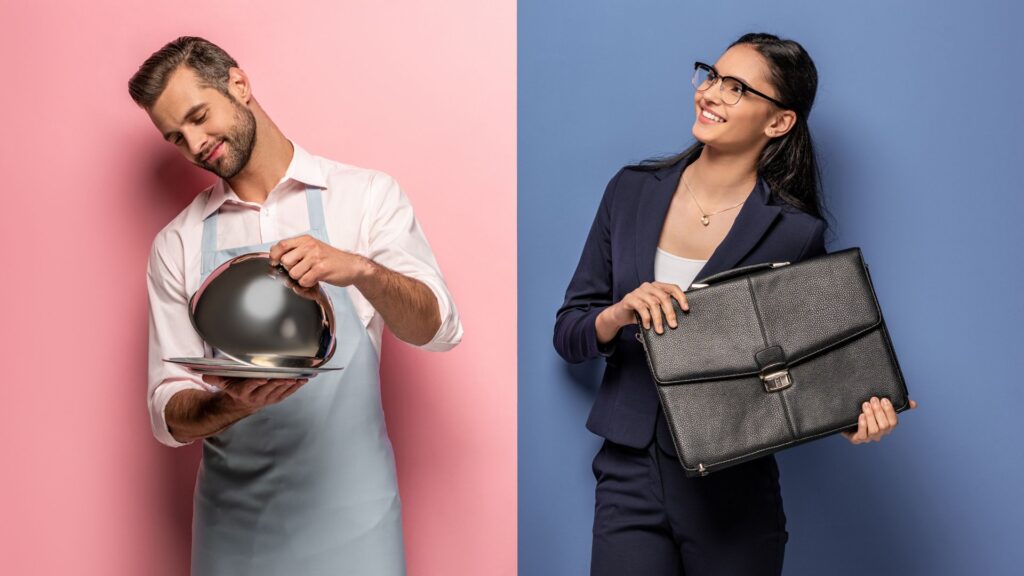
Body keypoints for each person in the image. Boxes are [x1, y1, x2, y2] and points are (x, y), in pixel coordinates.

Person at [553, 33, 918, 576]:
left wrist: (850, 415)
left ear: (779, 122)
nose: (710, 93)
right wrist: (619, 313)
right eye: (712, 76)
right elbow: (569, 332)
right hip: (628, 473)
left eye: (737, 88)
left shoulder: (794, 234)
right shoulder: (630, 191)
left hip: (734, 492)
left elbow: (799, 370)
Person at [130, 36, 462, 576]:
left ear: (238, 84)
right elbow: (167, 408)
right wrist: (231, 405)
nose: (194, 143)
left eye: (198, 116)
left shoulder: (364, 196)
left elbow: (438, 327)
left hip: (356, 523)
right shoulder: (180, 243)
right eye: (176, 136)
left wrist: (361, 269)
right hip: (235, 531)